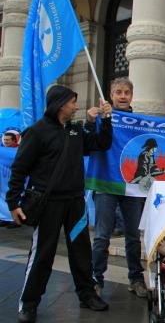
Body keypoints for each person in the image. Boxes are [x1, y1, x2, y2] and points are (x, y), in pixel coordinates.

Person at [7, 85, 112, 323]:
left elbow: (101, 144)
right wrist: (13, 203)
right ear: (60, 104)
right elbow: (19, 169)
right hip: (48, 204)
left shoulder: (75, 131)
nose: (76, 106)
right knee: (43, 254)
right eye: (73, 102)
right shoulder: (37, 132)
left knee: (81, 251)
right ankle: (29, 303)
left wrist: (105, 119)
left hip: (75, 203)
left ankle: (87, 294)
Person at [92, 78, 148, 298]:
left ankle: (136, 278)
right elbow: (92, 140)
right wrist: (91, 120)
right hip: (107, 183)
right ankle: (96, 279)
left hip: (132, 187)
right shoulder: (101, 117)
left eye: (126, 92)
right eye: (118, 92)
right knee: (101, 236)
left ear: (132, 96)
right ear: (111, 95)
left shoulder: (139, 121)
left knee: (133, 236)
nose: (122, 96)